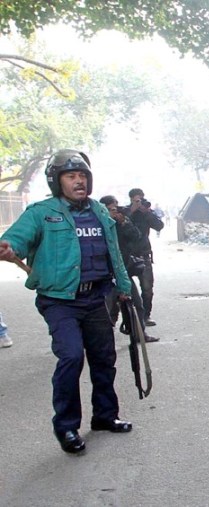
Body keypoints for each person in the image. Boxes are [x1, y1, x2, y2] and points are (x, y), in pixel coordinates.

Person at [0, 149, 133, 454]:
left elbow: (114, 254)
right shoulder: (41, 213)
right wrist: (9, 248)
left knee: (104, 359)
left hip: (97, 296)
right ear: (56, 181)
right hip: (60, 301)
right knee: (72, 357)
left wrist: (123, 288)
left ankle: (105, 416)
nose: (79, 182)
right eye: (71, 176)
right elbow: (16, 240)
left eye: (83, 176)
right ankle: (67, 426)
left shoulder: (100, 212)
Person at [99, 195, 159, 343]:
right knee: (107, 310)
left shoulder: (122, 222)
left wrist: (124, 222)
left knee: (137, 304)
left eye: (115, 207)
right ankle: (101, 341)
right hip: (105, 275)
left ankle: (139, 333)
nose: (114, 211)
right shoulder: (98, 224)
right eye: (110, 209)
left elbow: (137, 236)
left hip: (122, 272)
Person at [121, 188, 164, 327]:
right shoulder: (125, 212)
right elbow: (117, 226)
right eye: (136, 200)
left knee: (147, 288)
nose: (139, 202)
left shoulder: (146, 212)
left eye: (141, 199)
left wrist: (147, 213)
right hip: (127, 255)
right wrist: (132, 210)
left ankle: (146, 316)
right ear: (131, 199)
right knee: (125, 290)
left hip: (143, 253)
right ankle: (129, 319)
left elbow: (159, 226)